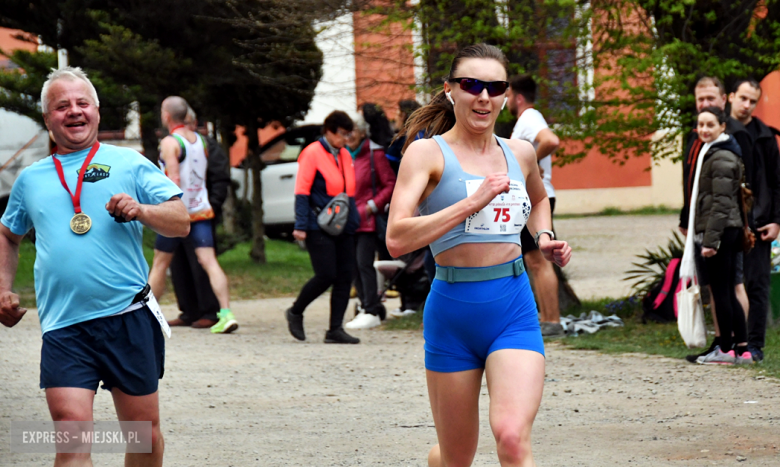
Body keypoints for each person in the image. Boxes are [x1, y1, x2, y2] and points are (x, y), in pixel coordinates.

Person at [386, 44, 572, 467]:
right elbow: (396, 238)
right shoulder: (426, 153)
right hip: (452, 314)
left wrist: (543, 237)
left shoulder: (520, 152)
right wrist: (472, 203)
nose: (483, 96)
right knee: (456, 458)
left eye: (495, 87)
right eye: (471, 85)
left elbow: (539, 199)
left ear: (507, 95)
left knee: (511, 437)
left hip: (512, 308)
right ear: (450, 90)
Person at [0, 67, 189, 466]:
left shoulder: (129, 162)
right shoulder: (30, 179)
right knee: (71, 436)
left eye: (82, 103)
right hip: (64, 325)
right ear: (48, 117)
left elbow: (180, 220)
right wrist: (3, 286)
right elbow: (8, 235)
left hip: (128, 318)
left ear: (97, 111)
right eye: (62, 105)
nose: (74, 111)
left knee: (144, 437)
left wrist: (141, 209)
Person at [148, 96, 238, 334]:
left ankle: (146, 317)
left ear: (166, 116)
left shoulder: (170, 142)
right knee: (209, 261)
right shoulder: (201, 141)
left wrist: (164, 209)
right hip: (201, 210)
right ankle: (226, 313)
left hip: (176, 213)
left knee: (159, 263)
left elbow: (173, 180)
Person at [680, 77, 753, 364]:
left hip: (722, 232)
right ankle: (742, 348)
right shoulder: (711, 152)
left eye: (711, 125)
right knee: (726, 291)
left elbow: (721, 204)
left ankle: (726, 348)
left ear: (723, 127)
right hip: (726, 230)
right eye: (701, 125)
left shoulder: (720, 155)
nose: (704, 129)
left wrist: (709, 242)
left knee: (723, 292)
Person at [285, 110, 362, 344]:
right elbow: (301, 191)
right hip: (318, 223)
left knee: (344, 276)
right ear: (329, 131)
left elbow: (348, 191)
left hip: (343, 222)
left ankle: (334, 329)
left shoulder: (344, 153)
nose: (346, 139)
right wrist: (300, 226)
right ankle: (296, 311)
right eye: (342, 134)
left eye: (349, 134)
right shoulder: (312, 153)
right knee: (326, 274)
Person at [506, 74, 564, 338]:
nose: (505, 100)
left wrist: (531, 162)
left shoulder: (530, 117)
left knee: (541, 261)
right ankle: (545, 318)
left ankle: (553, 320)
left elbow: (551, 140)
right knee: (533, 260)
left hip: (539, 197)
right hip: (528, 198)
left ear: (518, 97)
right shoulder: (525, 121)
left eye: (507, 95)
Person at [728, 79, 780, 363]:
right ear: (731, 97)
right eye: (743, 98)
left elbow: (776, 182)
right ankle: (731, 343)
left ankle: (755, 345)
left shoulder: (764, 135)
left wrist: (776, 221)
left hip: (759, 223)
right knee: (727, 286)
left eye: (752, 101)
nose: (747, 105)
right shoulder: (717, 129)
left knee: (757, 285)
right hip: (727, 223)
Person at [167, 107, 232, 329]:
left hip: (201, 212)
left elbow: (220, 177)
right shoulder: (178, 142)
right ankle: (188, 310)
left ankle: (211, 311)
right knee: (177, 265)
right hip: (179, 213)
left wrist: (213, 204)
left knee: (201, 264)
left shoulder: (205, 144)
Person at [344, 113, 396, 330]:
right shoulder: (343, 155)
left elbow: (390, 184)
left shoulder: (375, 154)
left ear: (363, 132)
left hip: (367, 220)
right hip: (346, 220)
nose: (348, 136)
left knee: (364, 263)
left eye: (353, 130)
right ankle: (364, 305)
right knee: (351, 266)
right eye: (345, 132)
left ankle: (371, 309)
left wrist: (372, 206)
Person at [386, 99, 422, 174]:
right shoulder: (422, 136)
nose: (395, 118)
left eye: (397, 114)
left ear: (403, 116)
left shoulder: (409, 140)